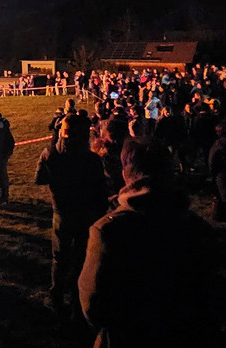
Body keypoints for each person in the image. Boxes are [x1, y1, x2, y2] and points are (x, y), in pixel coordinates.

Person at [78, 138, 218, 347]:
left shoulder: (109, 230)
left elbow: (93, 304)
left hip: (128, 338)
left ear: (126, 173)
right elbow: (211, 296)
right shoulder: (197, 228)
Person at [35, 113, 107, 323]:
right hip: (86, 213)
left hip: (62, 212)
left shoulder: (50, 154)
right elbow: (100, 189)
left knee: (60, 257)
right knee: (81, 257)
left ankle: (56, 296)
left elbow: (39, 179)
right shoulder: (91, 159)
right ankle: (78, 302)